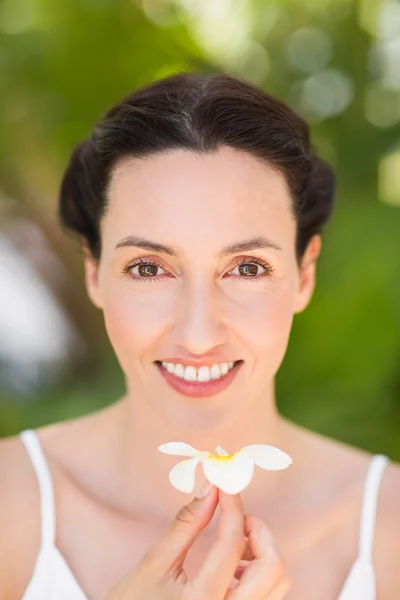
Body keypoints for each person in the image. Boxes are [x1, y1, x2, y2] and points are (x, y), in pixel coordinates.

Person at [0, 72, 398, 600]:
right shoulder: (11, 506)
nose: (198, 334)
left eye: (248, 268)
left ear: (305, 274)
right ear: (94, 272)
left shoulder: (389, 529)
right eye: (148, 268)